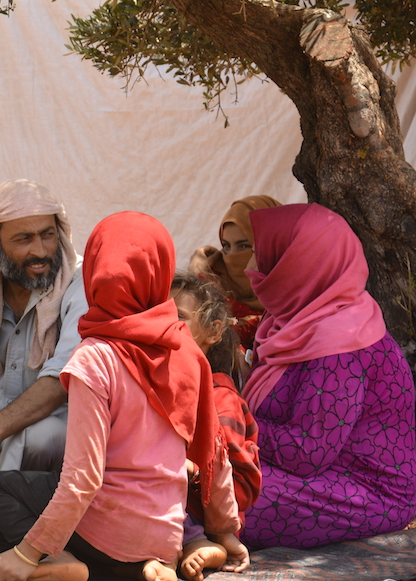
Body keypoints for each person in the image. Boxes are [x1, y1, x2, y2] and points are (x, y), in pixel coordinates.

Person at [0, 212, 246, 581]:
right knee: (35, 525)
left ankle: (68, 563)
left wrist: (27, 554)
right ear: (161, 273)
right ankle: (141, 569)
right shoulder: (186, 349)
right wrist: (225, 531)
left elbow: (82, 478)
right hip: (166, 535)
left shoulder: (95, 357)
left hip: (104, 529)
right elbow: (215, 455)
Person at [239, 203, 416, 549]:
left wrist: (232, 422)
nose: (249, 267)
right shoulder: (298, 319)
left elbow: (307, 452)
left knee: (217, 489)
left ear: (297, 264)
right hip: (321, 474)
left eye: (262, 255)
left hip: (367, 491)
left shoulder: (341, 342)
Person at [0, 179, 89, 488]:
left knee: (33, 438)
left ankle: (2, 505)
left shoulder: (81, 284)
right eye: (24, 239)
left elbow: (63, 376)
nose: (40, 251)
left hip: (58, 429)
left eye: (47, 235)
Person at [171, 274, 261, 581]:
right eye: (159, 315)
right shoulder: (165, 388)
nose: (166, 326)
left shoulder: (221, 400)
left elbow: (239, 489)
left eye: (179, 317)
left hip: (212, 514)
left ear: (213, 331)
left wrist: (190, 471)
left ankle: (201, 543)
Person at [188, 195, 280, 352]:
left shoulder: (295, 296)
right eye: (226, 246)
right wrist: (195, 279)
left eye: (244, 247)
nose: (231, 256)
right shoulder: (212, 287)